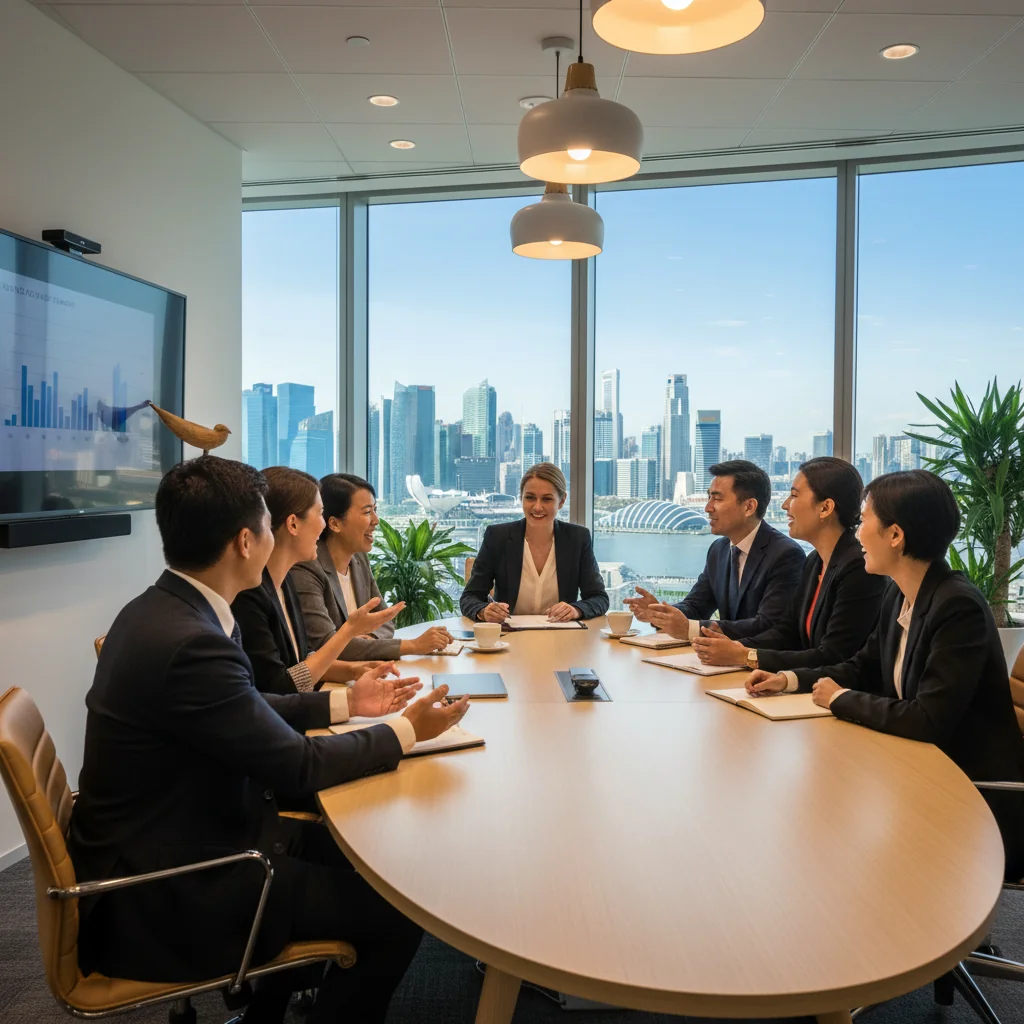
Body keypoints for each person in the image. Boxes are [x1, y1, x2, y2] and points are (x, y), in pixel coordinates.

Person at [68, 456, 469, 1024]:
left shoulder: (163, 610)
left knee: (385, 861)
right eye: (266, 521)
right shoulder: (192, 642)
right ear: (244, 541)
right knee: (401, 911)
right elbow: (297, 768)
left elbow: (248, 708)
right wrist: (407, 730)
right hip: (176, 888)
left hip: (187, 834)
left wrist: (346, 702)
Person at [746, 470, 1024, 879]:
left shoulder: (957, 607)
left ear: (895, 535)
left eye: (864, 521)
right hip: (917, 773)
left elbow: (928, 719)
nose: (857, 534)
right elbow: (862, 666)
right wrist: (787, 679)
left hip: (973, 793)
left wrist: (839, 699)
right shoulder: (899, 591)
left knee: (828, 830)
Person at [692, 457, 886, 670]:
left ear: (825, 508)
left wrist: (746, 656)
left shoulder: (857, 567)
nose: (785, 505)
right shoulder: (815, 560)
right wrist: (734, 648)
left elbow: (834, 655)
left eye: (794, 495)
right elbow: (787, 632)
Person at [232, 467, 406, 697]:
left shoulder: (283, 584)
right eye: (319, 513)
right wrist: (349, 633)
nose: (323, 525)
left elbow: (301, 661)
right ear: (293, 524)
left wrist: (356, 670)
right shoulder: (251, 595)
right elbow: (280, 687)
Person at [626, 460, 804, 640]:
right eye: (709, 497)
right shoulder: (719, 550)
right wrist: (661, 613)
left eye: (717, 499)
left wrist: (691, 628)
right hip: (721, 662)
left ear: (749, 507)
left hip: (759, 663)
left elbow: (767, 625)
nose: (707, 508)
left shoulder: (786, 554)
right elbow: (696, 606)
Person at [290, 473, 453, 661]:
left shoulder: (358, 558)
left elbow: (384, 621)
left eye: (375, 510)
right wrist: (414, 645)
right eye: (367, 512)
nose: (376, 520)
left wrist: (370, 639)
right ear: (334, 523)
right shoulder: (307, 569)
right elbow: (328, 645)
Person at [460, 462, 609, 623]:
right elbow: (470, 597)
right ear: (521, 498)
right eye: (530, 498)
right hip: (509, 638)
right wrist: (483, 611)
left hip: (562, 637)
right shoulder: (497, 537)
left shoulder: (577, 538)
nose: (537, 507)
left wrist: (575, 610)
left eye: (547, 499)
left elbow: (599, 598)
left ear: (561, 501)